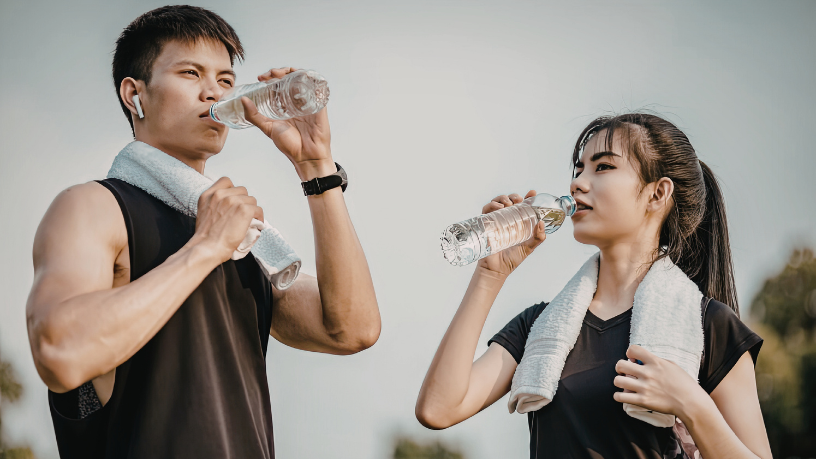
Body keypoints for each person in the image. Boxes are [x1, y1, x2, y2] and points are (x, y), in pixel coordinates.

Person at [25, 5, 380, 458]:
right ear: (135, 95)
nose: (213, 91)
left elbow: (350, 329)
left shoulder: (240, 236)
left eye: (227, 80)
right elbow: (60, 351)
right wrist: (205, 248)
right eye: (191, 73)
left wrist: (317, 169)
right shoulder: (93, 206)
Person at [415, 113, 772, 458]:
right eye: (579, 169)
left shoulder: (709, 326)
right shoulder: (540, 327)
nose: (578, 183)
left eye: (603, 167)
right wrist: (490, 274)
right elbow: (438, 409)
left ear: (657, 194)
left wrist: (692, 403)